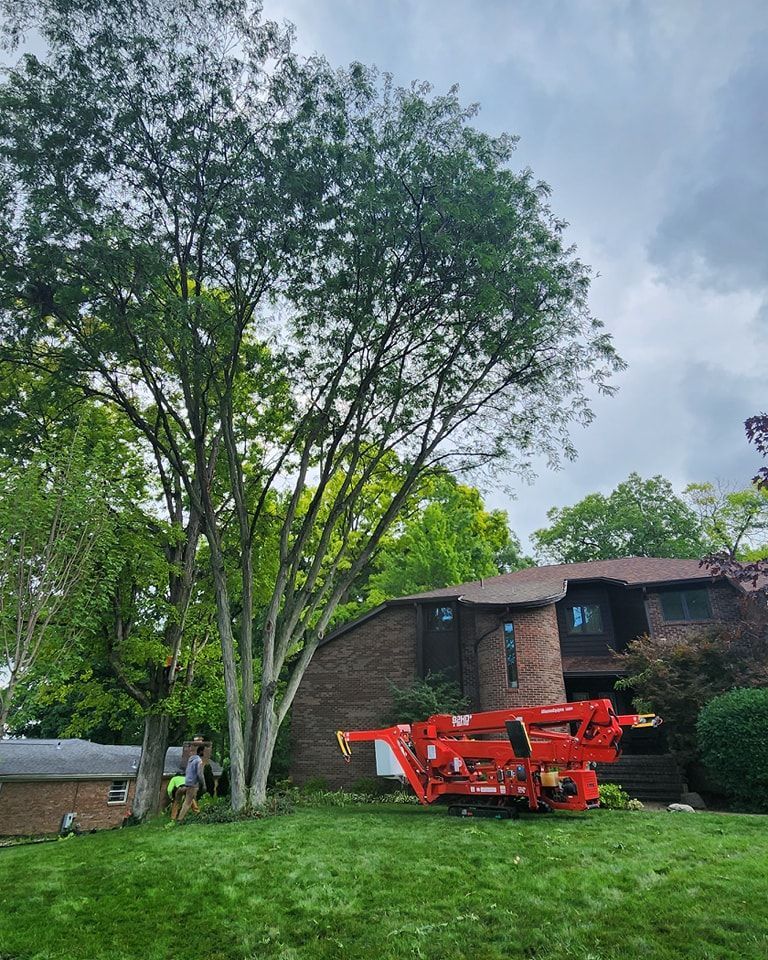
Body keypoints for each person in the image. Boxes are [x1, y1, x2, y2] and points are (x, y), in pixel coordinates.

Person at [177, 744, 206, 822]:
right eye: (204, 751)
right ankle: (180, 819)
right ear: (201, 751)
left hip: (187, 782)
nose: (205, 753)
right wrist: (203, 784)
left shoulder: (191, 760)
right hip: (193, 784)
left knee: (190, 800)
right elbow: (200, 774)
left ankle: (198, 814)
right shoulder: (199, 761)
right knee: (187, 802)